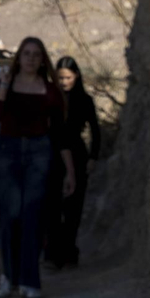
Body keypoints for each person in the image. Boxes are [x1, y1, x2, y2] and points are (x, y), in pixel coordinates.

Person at [0, 37, 75, 298]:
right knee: (8, 215)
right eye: (26, 54)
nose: (31, 59)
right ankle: (8, 277)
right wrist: (3, 86)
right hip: (9, 151)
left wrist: (70, 170)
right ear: (19, 58)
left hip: (38, 153)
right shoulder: (6, 85)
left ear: (42, 59)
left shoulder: (50, 91)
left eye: (36, 54)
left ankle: (29, 280)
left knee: (33, 216)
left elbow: (60, 133)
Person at [49, 56, 102, 269]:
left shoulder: (84, 100)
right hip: (53, 153)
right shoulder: (52, 99)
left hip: (77, 153)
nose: (64, 82)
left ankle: (69, 251)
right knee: (53, 206)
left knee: (74, 207)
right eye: (60, 78)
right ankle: (54, 253)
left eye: (68, 78)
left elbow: (95, 130)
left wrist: (93, 157)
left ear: (76, 76)